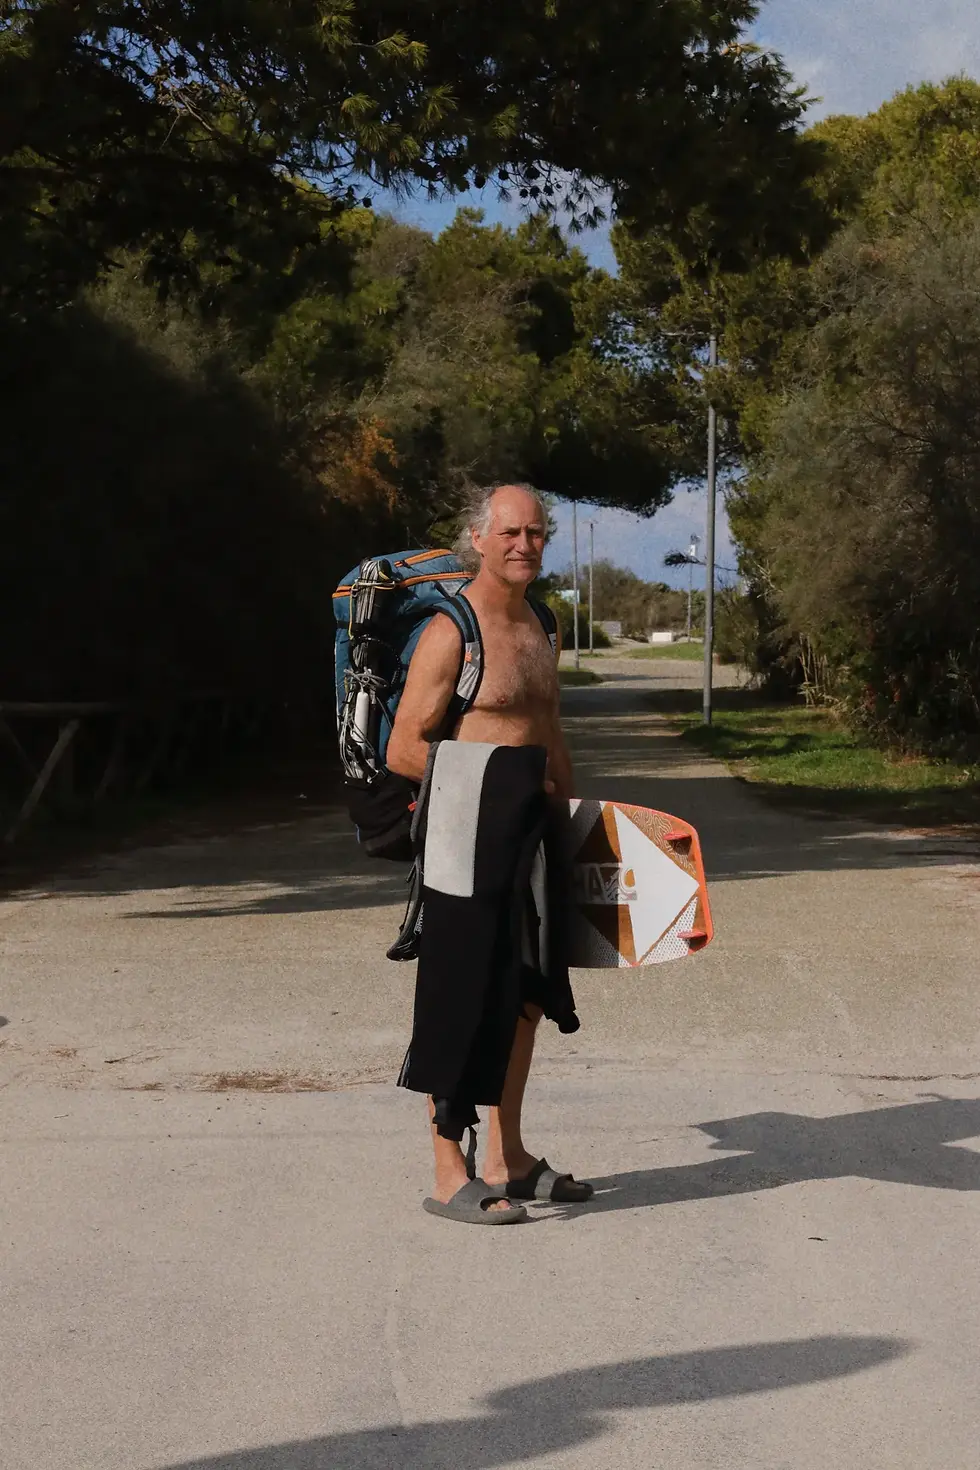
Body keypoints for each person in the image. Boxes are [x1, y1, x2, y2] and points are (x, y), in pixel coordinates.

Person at [387, 482, 593, 1219]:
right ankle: (449, 1167)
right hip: (463, 837)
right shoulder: (453, 632)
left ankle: (504, 1156)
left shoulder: (542, 625)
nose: (524, 545)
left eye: (536, 533)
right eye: (509, 532)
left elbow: (549, 735)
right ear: (478, 538)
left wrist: (574, 823)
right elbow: (404, 748)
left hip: (532, 837)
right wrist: (505, 782)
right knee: (459, 994)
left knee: (526, 996)